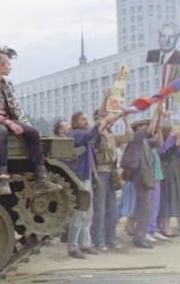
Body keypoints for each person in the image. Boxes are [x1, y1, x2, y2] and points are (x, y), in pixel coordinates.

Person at [0, 45, 62, 196]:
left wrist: (26, 126)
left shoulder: (8, 84)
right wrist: (9, 123)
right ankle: (2, 177)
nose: (10, 68)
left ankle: (41, 176)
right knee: (1, 132)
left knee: (33, 133)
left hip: (7, 119)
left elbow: (16, 108)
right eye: (8, 64)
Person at [67, 111, 117, 259]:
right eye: (83, 119)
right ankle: (73, 247)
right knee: (80, 214)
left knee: (88, 214)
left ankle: (85, 244)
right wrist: (105, 119)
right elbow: (90, 135)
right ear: (75, 122)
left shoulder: (81, 134)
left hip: (86, 177)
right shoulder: (76, 134)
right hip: (80, 178)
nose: (85, 121)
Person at [90, 105, 133, 252]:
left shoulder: (111, 136)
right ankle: (99, 241)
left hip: (111, 173)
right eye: (109, 121)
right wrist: (104, 119)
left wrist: (126, 121)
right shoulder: (97, 134)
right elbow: (98, 130)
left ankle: (111, 239)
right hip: (101, 173)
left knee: (111, 209)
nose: (112, 123)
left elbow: (129, 137)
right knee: (100, 209)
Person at [120, 105, 163, 249]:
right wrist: (157, 112)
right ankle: (139, 238)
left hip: (146, 176)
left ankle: (141, 236)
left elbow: (158, 141)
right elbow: (151, 129)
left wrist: (160, 122)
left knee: (147, 208)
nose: (144, 127)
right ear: (137, 128)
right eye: (141, 126)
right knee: (146, 208)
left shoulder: (144, 141)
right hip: (142, 177)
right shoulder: (137, 139)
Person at [158, 126, 180, 237]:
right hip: (167, 175)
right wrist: (175, 140)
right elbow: (166, 155)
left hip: (173, 174)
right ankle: (165, 227)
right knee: (167, 201)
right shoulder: (165, 146)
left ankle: (165, 226)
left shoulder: (173, 143)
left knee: (172, 201)